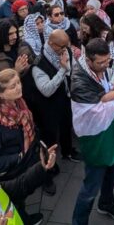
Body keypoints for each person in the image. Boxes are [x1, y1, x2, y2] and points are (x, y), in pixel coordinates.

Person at [0, 69, 57, 222]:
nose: (19, 87)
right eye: (13, 86)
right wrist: (18, 157)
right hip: (8, 175)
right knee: (13, 202)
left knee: (20, 200)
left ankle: (24, 216)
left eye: (18, 82)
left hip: (21, 166)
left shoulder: (17, 102)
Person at [70, 39, 114, 224]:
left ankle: (106, 202)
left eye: (107, 60)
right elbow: (100, 104)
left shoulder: (107, 64)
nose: (106, 65)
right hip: (95, 137)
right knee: (91, 185)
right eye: (100, 63)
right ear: (88, 60)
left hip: (111, 130)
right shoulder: (79, 80)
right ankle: (79, 221)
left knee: (112, 170)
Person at [27, 29, 80, 162]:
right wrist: (62, 70)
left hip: (65, 99)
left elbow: (74, 69)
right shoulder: (38, 64)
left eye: (67, 45)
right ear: (51, 43)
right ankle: (48, 163)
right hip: (48, 106)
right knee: (49, 134)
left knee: (66, 126)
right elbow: (46, 90)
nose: (65, 49)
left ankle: (67, 152)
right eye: (62, 46)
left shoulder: (65, 51)